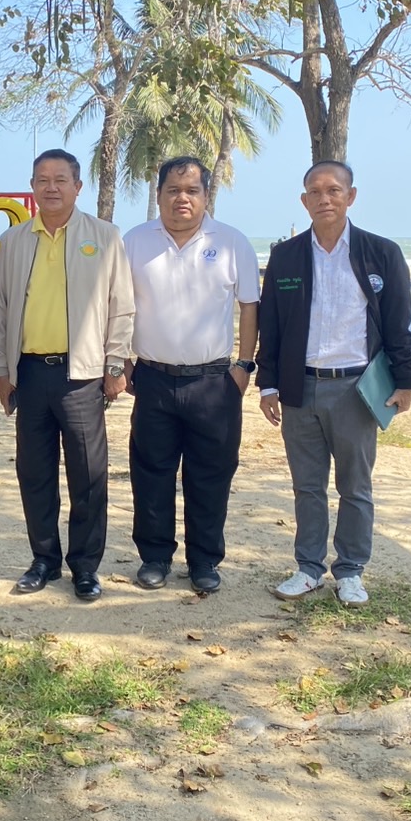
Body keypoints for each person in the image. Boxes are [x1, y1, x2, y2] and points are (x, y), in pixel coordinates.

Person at [256, 160, 411, 608]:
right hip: (299, 388)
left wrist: (406, 381)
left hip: (356, 390)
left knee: (355, 487)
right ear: (304, 200)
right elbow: (271, 326)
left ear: (351, 196)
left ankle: (350, 571)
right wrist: (268, 385)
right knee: (307, 487)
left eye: (334, 190)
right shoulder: (287, 256)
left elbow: (399, 322)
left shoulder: (380, 253)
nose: (324, 199)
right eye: (315, 191)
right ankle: (308, 568)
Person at [0, 149, 134, 602]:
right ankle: (44, 560)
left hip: (83, 375)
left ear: (78, 186)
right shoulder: (14, 240)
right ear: (33, 186)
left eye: (60, 179)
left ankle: (85, 567)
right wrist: (2, 370)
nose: (51, 187)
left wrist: (115, 365)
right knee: (34, 473)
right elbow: (2, 309)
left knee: (88, 474)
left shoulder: (104, 236)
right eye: (42, 179)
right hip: (30, 373)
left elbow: (122, 306)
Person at [123, 156, 259, 594]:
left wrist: (244, 366)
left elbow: (249, 306)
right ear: (159, 193)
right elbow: (117, 305)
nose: (182, 198)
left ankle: (204, 560)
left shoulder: (232, 242)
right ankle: (155, 557)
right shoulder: (135, 241)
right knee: (151, 472)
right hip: (152, 379)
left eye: (192, 190)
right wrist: (122, 361)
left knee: (211, 475)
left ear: (205, 195)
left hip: (214, 383)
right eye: (173, 190)